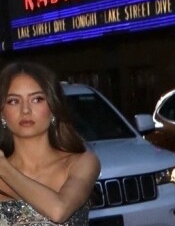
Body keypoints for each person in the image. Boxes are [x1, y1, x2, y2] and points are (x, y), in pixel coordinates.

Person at [0, 61, 100, 225]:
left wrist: (4, 169)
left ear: (54, 107)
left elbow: (58, 211)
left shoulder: (81, 163)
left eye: (37, 99)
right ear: (2, 114)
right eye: (13, 101)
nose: (26, 110)